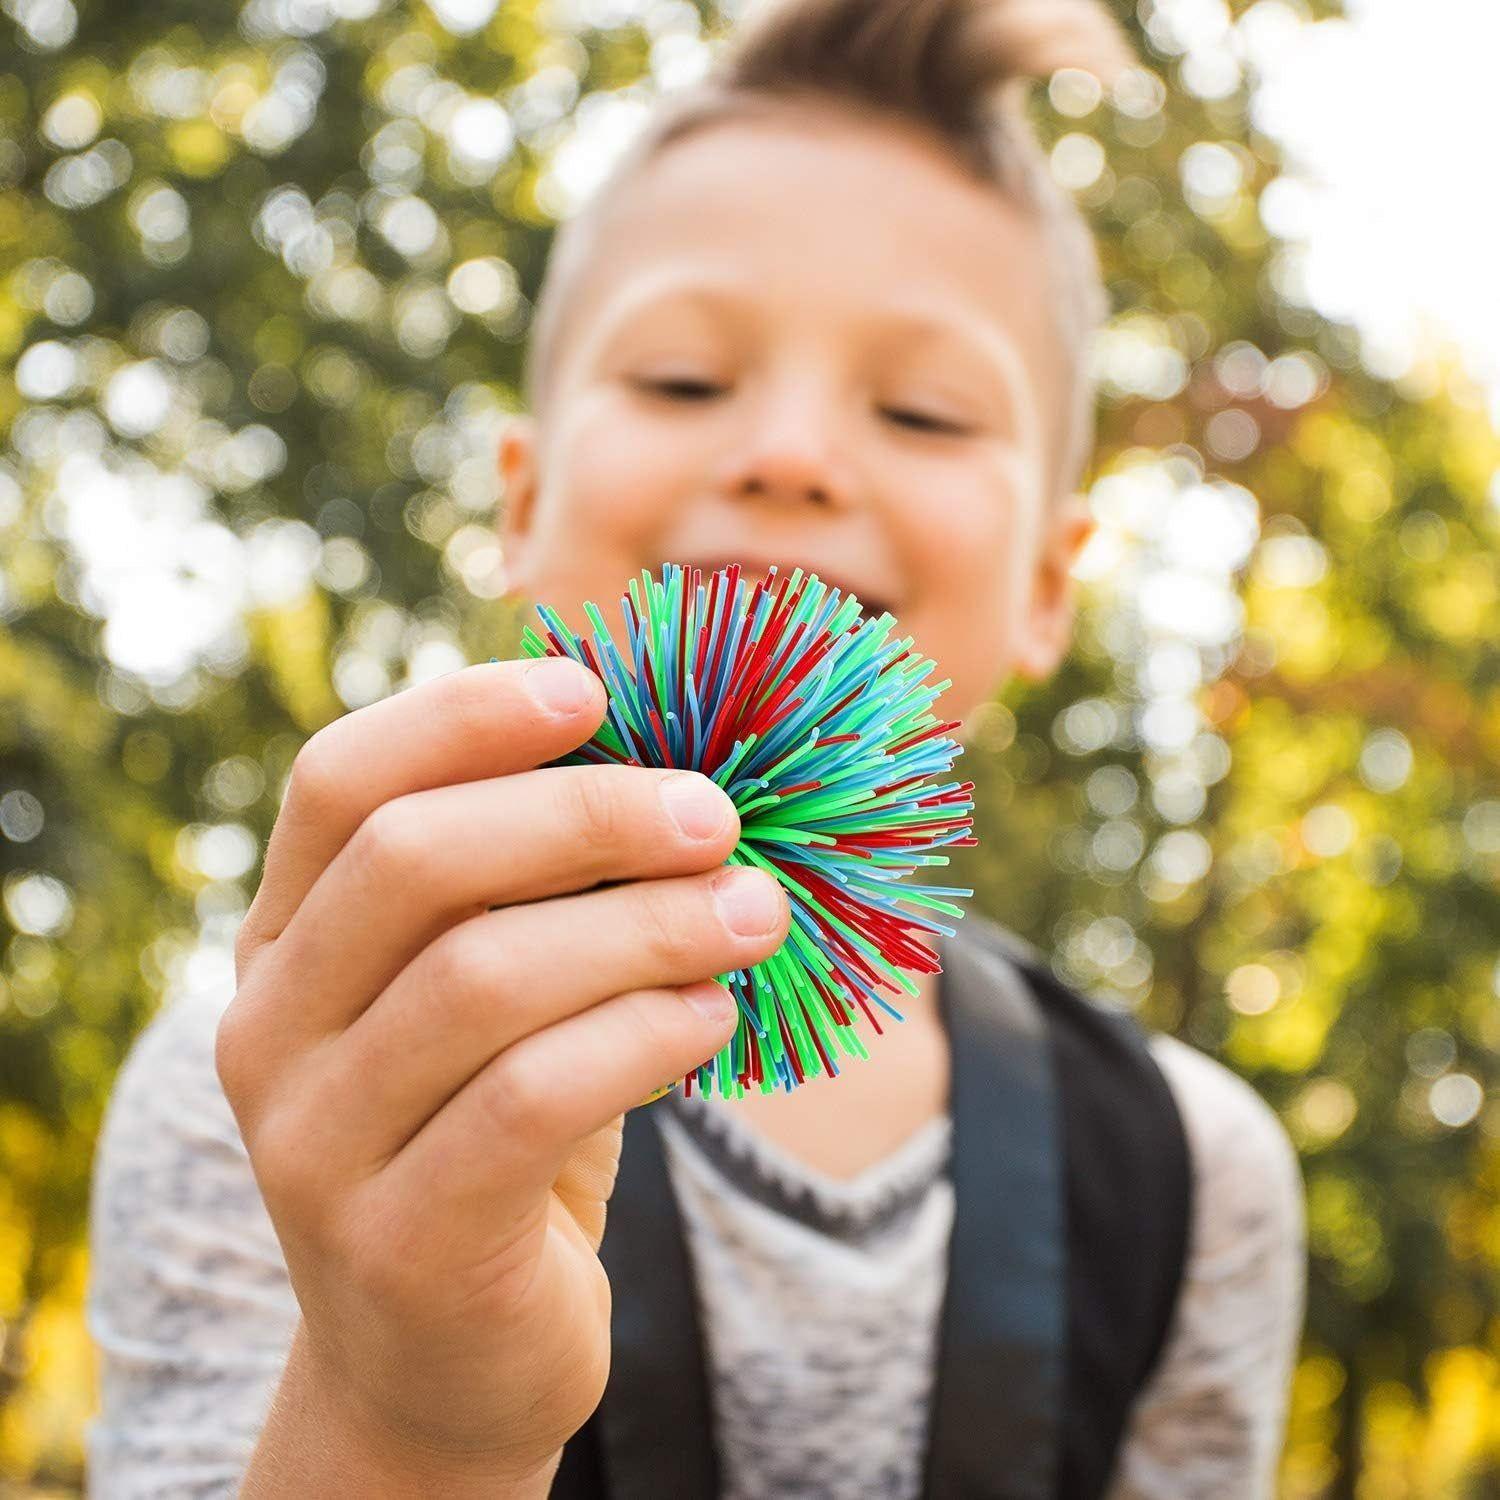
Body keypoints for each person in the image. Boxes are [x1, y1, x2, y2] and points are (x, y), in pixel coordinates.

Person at [85, 0, 1307, 1496]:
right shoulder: (285, 1069)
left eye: (922, 411)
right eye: (679, 381)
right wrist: (405, 1413)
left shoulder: (1199, 1173)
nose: (789, 452)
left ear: (1051, 581)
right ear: (521, 502)